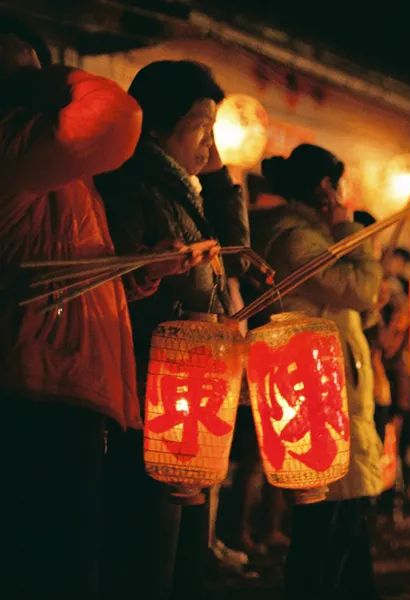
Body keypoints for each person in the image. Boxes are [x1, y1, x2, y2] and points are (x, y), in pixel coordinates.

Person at [0, 19, 153, 597]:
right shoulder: (14, 145)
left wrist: (133, 276)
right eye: (14, 75)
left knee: (65, 559)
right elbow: (117, 117)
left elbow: (57, 257)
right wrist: (51, 74)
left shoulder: (47, 164)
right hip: (33, 389)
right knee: (49, 564)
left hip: (60, 382)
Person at [96, 60, 235, 598]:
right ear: (157, 126)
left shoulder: (186, 190)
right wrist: (152, 271)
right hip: (151, 392)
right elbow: (117, 287)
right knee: (149, 554)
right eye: (202, 127)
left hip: (189, 392)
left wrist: (221, 177)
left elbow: (230, 260)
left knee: (182, 554)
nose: (210, 144)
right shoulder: (132, 187)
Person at [252, 144, 383, 598]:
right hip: (318, 393)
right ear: (326, 188)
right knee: (327, 521)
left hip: (332, 386)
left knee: (346, 518)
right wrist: (348, 225)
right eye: (339, 186)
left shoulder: (307, 235)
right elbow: (362, 288)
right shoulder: (296, 238)